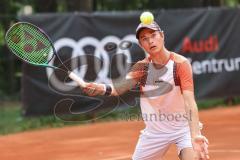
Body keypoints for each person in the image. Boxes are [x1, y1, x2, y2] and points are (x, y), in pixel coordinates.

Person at [81, 14, 209, 160]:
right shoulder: (142, 68)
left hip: (183, 129)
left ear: (162, 36)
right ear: (141, 44)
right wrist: (100, 88)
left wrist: (195, 136)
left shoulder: (180, 64)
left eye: (153, 35)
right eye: (144, 38)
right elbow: (118, 88)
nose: (150, 41)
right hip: (155, 133)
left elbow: (189, 102)